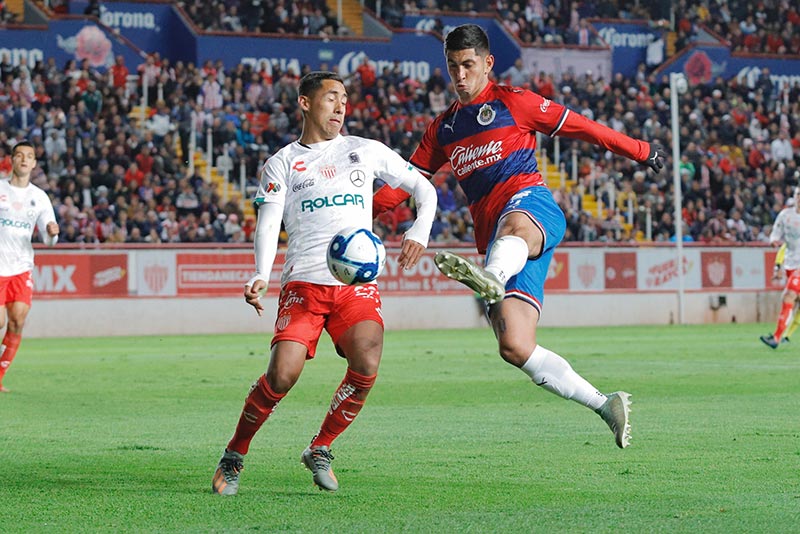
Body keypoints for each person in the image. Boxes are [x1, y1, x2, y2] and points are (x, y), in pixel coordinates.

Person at [373, 24, 667, 448]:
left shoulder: (516, 102)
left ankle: (490, 276)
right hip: (496, 240)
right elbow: (405, 185)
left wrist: (639, 149)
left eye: (468, 65)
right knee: (514, 346)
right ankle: (606, 404)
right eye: (453, 66)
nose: (460, 75)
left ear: (488, 63)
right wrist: (358, 211)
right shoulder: (443, 130)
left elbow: (582, 127)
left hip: (532, 209)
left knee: (513, 224)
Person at [211, 72, 437, 495]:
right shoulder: (282, 162)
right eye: (331, 98)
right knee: (282, 375)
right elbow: (269, 223)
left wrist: (419, 231)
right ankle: (234, 454)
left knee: (367, 361)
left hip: (355, 285)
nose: (340, 106)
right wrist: (261, 272)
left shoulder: (364, 151)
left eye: (345, 99)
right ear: (305, 102)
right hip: (304, 284)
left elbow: (424, 189)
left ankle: (321, 446)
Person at [0, 140, 60, 392]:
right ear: (12, 160)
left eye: (29, 156)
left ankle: (0, 375)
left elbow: (50, 239)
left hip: (21, 267)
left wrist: (51, 232)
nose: (24, 160)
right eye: (19, 155)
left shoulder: (39, 197)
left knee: (17, 321)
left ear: (34, 163)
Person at [760, 187, 800, 348]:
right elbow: (776, 232)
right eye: (798, 195)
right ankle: (778, 337)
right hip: (791, 263)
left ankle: (776, 338)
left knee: (788, 296)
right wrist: (773, 240)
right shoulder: (786, 215)